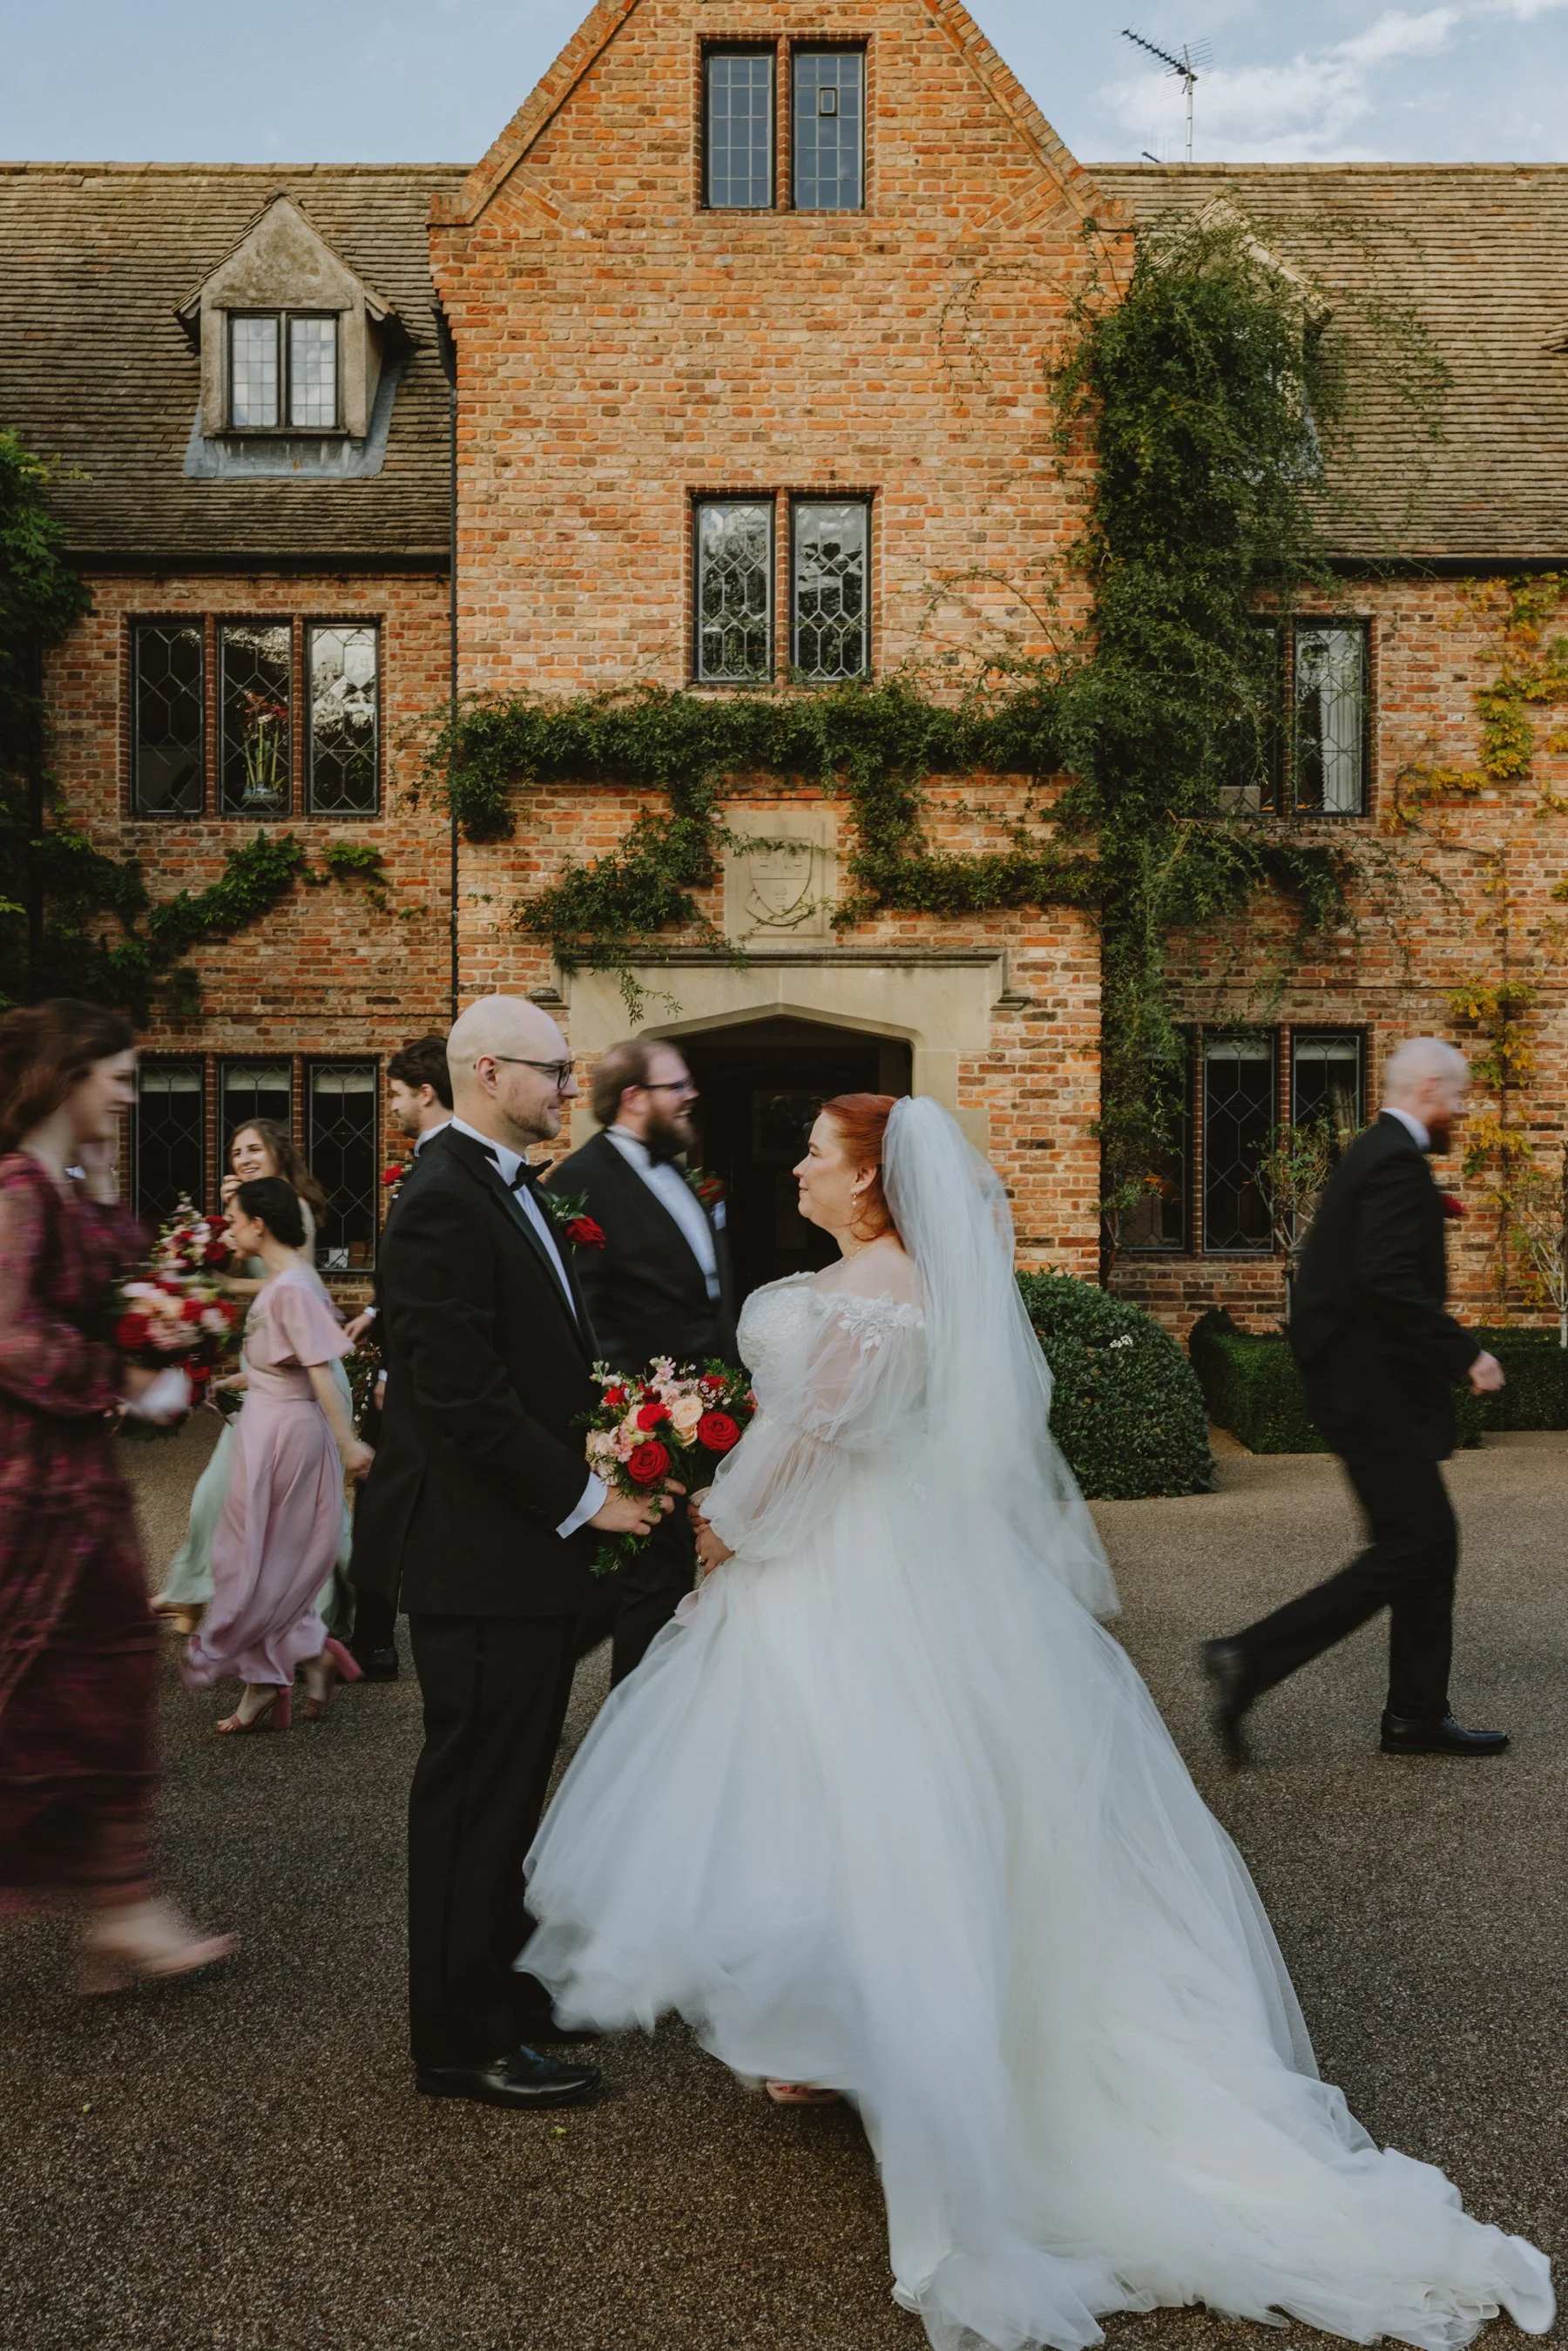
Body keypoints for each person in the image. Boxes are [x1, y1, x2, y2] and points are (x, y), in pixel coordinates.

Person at [522, 1092, 1551, 2351]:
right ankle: (839, 2029)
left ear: (869, 1184)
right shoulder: (910, 1284)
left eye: (815, 1151)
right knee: (873, 1796)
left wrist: (722, 1521)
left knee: (852, 1795)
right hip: (911, 1562)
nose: (790, 1161)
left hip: (843, 1567)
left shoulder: (866, 1296)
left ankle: (881, 2032)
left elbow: (818, 1444)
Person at [375, 994, 673, 2114]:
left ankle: (498, 1988)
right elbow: (458, 1394)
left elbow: (538, 1362)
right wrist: (587, 1496)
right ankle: (457, 2039)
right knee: (473, 1797)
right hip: (478, 1553)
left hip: (517, 1552)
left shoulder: (506, 1187)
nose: (568, 1086)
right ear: (491, 1071)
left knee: (509, 1786)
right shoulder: (443, 1197)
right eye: (554, 1068)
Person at [0, 998, 233, 1994]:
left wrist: (170, 1334)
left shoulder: (70, 1179)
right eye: (118, 1075)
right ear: (65, 1075)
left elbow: (118, 1285)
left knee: (105, 1678)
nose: (130, 1092)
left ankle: (122, 1907)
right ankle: (124, 1907)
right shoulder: (16, 1188)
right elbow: (8, 1332)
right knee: (36, 1692)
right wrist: (123, 1375)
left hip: (78, 1483)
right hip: (26, 1488)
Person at [1204, 1037, 1508, 1766]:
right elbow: (1387, 1282)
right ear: (1429, 1087)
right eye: (1458, 1097)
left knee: (1427, 1547)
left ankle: (1415, 1717)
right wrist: (1466, 1352)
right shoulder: (1395, 1162)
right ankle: (1250, 1656)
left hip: (1361, 1388)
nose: (1461, 1112)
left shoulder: (1373, 1151)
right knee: (1412, 1547)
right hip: (1371, 1393)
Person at [544, 1036, 736, 1684]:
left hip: (703, 1416)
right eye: (676, 1085)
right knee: (649, 1583)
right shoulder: (578, 1181)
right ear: (634, 1098)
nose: (691, 1095)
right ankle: (632, 1730)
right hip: (643, 1424)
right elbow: (588, 1314)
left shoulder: (684, 1176)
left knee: (648, 1579)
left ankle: (548, 1680)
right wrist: (632, 1422)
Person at [181, 1177, 373, 1732]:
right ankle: (306, 1654)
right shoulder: (290, 1280)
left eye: (235, 1218)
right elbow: (280, 1363)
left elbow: (317, 1370)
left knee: (259, 1560)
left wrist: (347, 1442)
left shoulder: (289, 1287)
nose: (230, 1228)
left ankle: (269, 1677)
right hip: (268, 1427)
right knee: (261, 1553)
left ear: (258, 1224)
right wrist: (225, 1381)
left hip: (285, 1438)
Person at [153, 1118, 348, 1637]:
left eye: (253, 1148)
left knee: (249, 1497)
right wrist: (217, 1232)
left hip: (296, 1373)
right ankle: (194, 1592)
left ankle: (307, 1613)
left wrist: (221, 1282)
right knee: (223, 1496)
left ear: (279, 1152)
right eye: (236, 1151)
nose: (242, 1158)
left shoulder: (292, 1210)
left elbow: (292, 1286)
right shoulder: (252, 1210)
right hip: (264, 1371)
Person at [344, 1034, 454, 1679]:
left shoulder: (439, 1169)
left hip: (409, 1378)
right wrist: (378, 1313)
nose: (390, 1106)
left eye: (394, 1094)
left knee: (387, 1504)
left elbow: (433, 1290)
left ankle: (375, 1638)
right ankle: (371, 1632)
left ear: (426, 1092)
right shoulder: (427, 1165)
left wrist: (388, 1368)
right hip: (402, 1355)